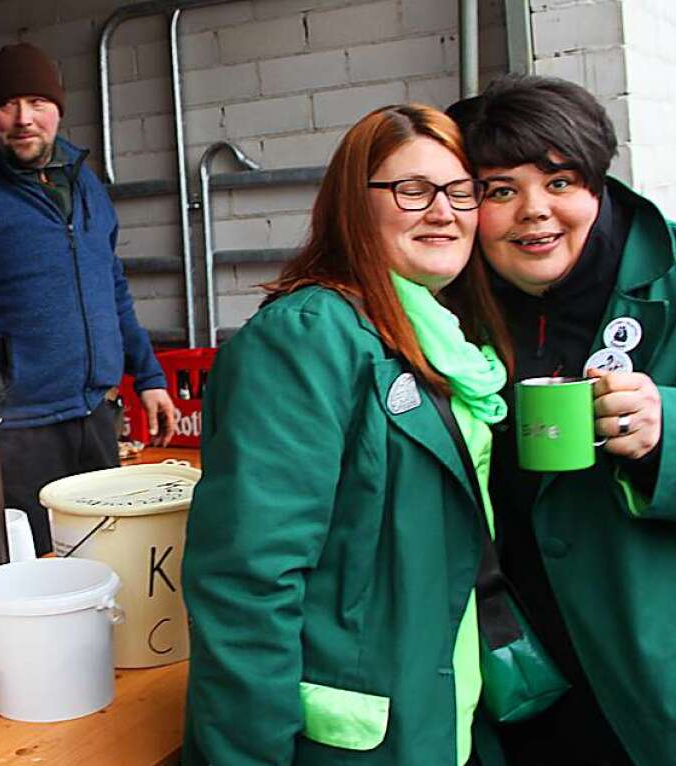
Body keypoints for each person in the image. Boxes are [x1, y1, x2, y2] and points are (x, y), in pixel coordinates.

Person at [181, 104, 514, 766]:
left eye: (459, 191)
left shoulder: (448, 342)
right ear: (352, 206)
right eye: (412, 190)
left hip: (446, 706)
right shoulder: (307, 338)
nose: (442, 211)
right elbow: (250, 580)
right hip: (358, 736)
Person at [451, 75, 676, 766]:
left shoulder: (670, 277)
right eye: (500, 190)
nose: (534, 213)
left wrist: (666, 434)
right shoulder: (445, 303)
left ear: (598, 185)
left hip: (649, 659)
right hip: (507, 662)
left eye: (560, 181)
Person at [0, 43, 175, 555]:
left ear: (58, 110)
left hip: (95, 417)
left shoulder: (87, 187)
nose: (24, 118)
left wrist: (150, 378)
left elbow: (112, 290)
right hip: (15, 432)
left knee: (107, 561)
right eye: (8, 105)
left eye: (37, 102)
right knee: (31, 573)